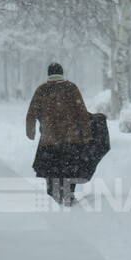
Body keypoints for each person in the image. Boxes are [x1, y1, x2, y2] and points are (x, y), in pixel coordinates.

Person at [26, 63, 93, 206]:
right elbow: (81, 112)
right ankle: (68, 194)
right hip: (71, 139)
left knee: (51, 169)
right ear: (62, 73)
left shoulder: (42, 90)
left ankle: (53, 195)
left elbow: (31, 113)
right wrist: (86, 134)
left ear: (48, 73)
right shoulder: (71, 88)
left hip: (49, 140)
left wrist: (30, 131)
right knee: (69, 168)